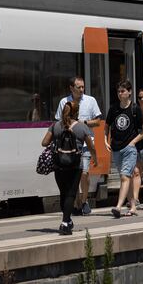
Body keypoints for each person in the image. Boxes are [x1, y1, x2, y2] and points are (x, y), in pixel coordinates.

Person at [42, 101, 97, 235]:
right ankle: (65, 223)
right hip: (74, 165)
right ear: (76, 113)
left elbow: (44, 143)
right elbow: (91, 145)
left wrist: (56, 140)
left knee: (63, 193)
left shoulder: (55, 126)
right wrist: (95, 157)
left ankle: (67, 220)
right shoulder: (81, 127)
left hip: (59, 165)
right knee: (71, 194)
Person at [55, 77, 101, 215]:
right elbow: (59, 121)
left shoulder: (91, 100)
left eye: (83, 87)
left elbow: (98, 121)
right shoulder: (64, 101)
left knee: (84, 173)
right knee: (73, 175)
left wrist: (83, 123)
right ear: (71, 88)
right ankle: (75, 203)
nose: (81, 90)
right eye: (78, 87)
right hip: (68, 146)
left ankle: (84, 200)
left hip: (85, 144)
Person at [105, 80, 143, 218]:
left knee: (124, 177)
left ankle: (118, 207)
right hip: (116, 148)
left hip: (129, 149)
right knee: (126, 178)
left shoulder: (135, 109)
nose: (120, 94)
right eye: (118, 91)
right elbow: (107, 126)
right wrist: (106, 141)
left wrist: (133, 142)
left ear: (129, 92)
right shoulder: (113, 108)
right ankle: (133, 206)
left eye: (123, 91)